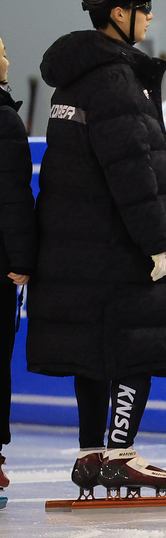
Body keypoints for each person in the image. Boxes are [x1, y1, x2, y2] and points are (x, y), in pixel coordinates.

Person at [29, 0, 166, 499]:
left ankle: (91, 455)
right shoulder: (115, 80)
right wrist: (157, 243)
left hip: (75, 244)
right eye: (143, 8)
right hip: (117, 243)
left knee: (92, 347)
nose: (150, 18)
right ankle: (120, 453)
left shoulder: (74, 81)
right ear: (117, 13)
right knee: (137, 344)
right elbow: (134, 169)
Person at [0, 36, 36, 492]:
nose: (8, 57)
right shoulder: (5, 121)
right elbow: (12, 197)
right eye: (2, 49)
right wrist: (24, 259)